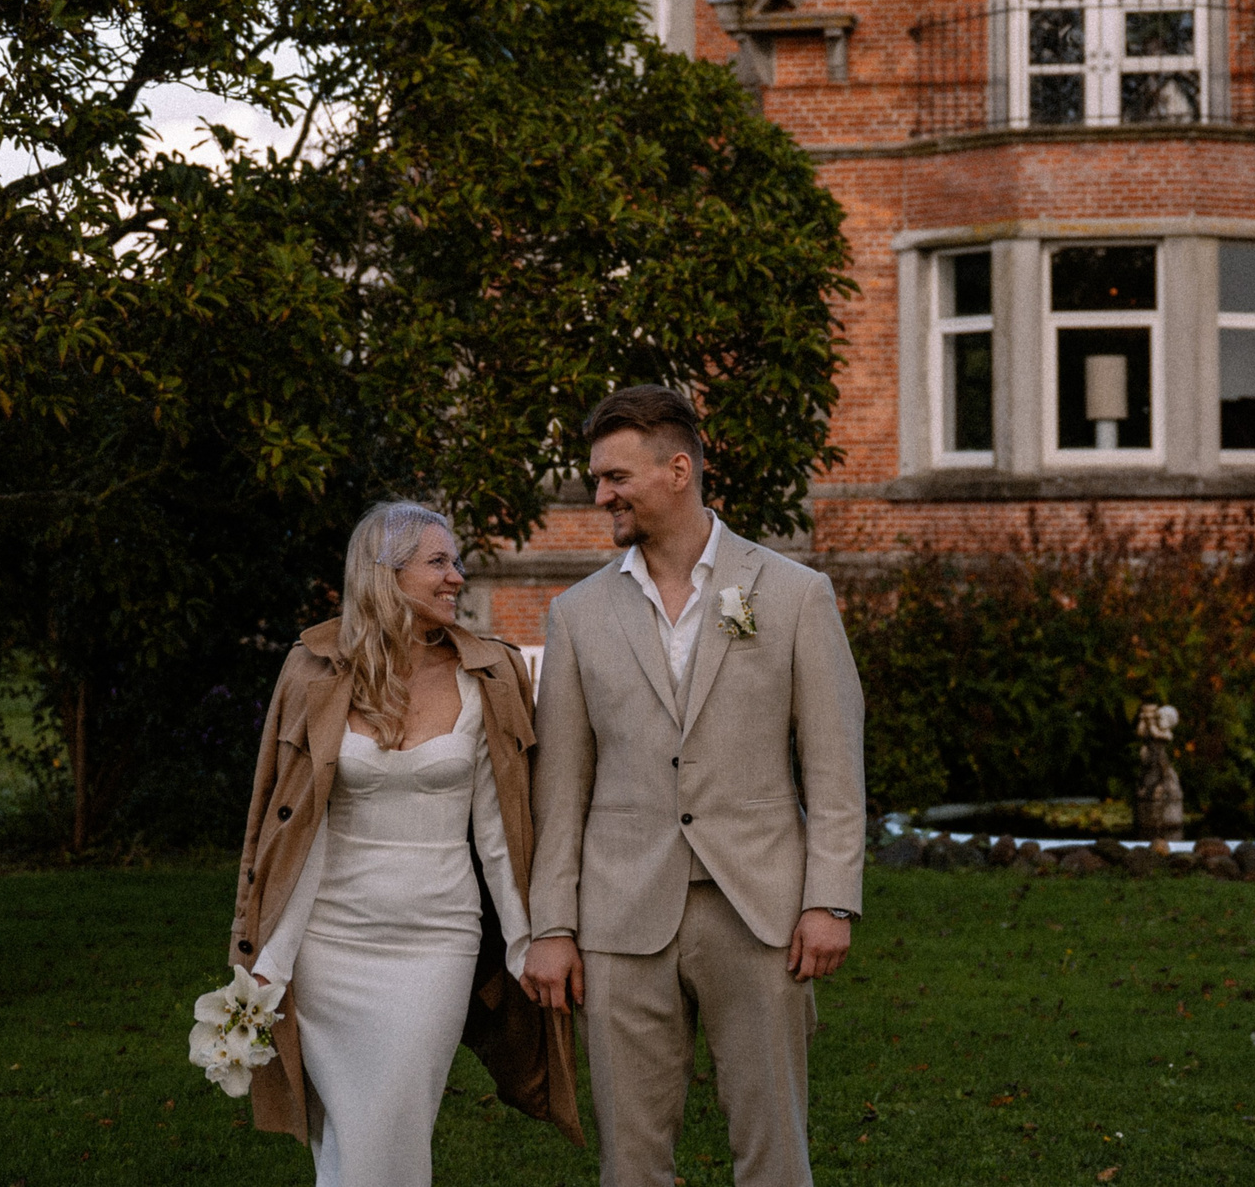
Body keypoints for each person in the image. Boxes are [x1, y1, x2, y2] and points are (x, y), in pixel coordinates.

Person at [523, 385, 865, 1187]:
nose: (599, 493)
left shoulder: (791, 593)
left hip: (761, 911)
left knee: (773, 1151)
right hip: (619, 915)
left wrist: (831, 897)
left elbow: (834, 763)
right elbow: (560, 790)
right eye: (596, 477)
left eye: (614, 476)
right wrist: (552, 924)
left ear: (679, 468)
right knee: (631, 1162)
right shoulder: (575, 615)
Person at [228, 500, 581, 1184]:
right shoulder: (314, 672)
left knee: (389, 1117)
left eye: (456, 561)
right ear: (385, 574)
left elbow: (500, 830)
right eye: (438, 562)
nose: (458, 576)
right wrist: (271, 959)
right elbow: (299, 830)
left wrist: (526, 942)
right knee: (347, 1133)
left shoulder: (489, 676)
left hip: (435, 942)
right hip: (331, 947)